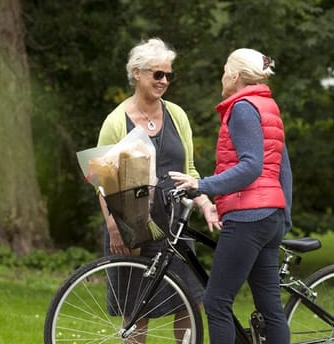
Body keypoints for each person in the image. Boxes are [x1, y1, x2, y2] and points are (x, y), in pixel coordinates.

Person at [169, 48, 293, 344]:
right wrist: (283, 215)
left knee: (216, 302)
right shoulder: (267, 107)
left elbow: (251, 168)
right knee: (270, 307)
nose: (222, 75)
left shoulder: (242, 108)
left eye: (225, 70)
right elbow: (283, 168)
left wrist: (202, 186)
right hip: (269, 215)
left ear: (235, 76)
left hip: (248, 215)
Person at [97, 37, 213, 343]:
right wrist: (114, 226)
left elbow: (190, 171)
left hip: (175, 222)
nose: (163, 81)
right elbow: (102, 180)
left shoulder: (177, 115)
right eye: (157, 74)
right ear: (137, 73)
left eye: (168, 75)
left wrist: (203, 202)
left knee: (187, 302)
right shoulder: (116, 121)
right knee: (137, 309)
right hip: (132, 221)